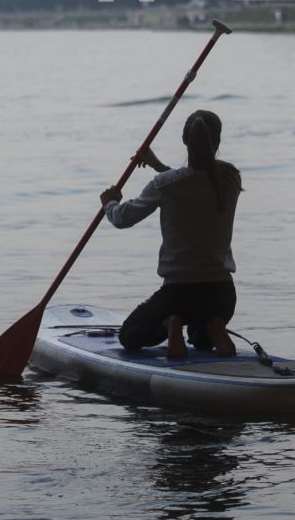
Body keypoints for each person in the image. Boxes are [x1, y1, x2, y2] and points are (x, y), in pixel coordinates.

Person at [100, 109, 242, 358]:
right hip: (223, 296)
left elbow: (123, 219)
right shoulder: (231, 177)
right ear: (218, 142)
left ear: (185, 141)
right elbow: (196, 182)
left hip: (179, 294)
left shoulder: (164, 185)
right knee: (200, 338)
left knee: (130, 334)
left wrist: (109, 203)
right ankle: (214, 326)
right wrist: (158, 166)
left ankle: (170, 323)